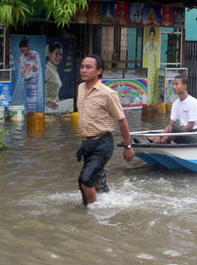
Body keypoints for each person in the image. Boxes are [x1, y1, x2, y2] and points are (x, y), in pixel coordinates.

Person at [76, 54, 134, 205]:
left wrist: (128, 146)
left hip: (103, 143)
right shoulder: (81, 87)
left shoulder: (107, 94)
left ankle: (91, 215)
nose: (83, 70)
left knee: (85, 180)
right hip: (87, 144)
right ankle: (109, 201)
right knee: (94, 183)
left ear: (99, 71)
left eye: (88, 67)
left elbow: (121, 120)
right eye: (82, 66)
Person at [154, 75, 197, 144]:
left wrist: (172, 135)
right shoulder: (176, 103)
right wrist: (161, 135)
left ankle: (173, 141)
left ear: (185, 86)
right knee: (151, 135)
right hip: (181, 132)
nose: (174, 87)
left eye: (177, 84)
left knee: (172, 129)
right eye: (173, 84)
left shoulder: (193, 102)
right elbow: (171, 123)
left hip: (192, 135)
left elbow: (190, 126)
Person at [45, 42, 75, 114]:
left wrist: (58, 100)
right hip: (47, 107)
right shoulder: (47, 69)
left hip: (54, 105)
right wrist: (45, 102)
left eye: (60, 54)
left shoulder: (53, 69)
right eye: (56, 54)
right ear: (49, 54)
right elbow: (35, 89)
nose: (59, 57)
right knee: (74, 102)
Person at [18, 38, 42, 112]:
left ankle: (35, 113)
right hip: (28, 81)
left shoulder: (35, 54)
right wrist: (25, 75)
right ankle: (29, 113)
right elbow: (22, 70)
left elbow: (38, 65)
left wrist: (35, 68)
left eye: (24, 46)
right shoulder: (21, 58)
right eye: (21, 47)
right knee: (29, 98)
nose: (22, 49)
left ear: (28, 47)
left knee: (35, 98)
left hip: (35, 81)